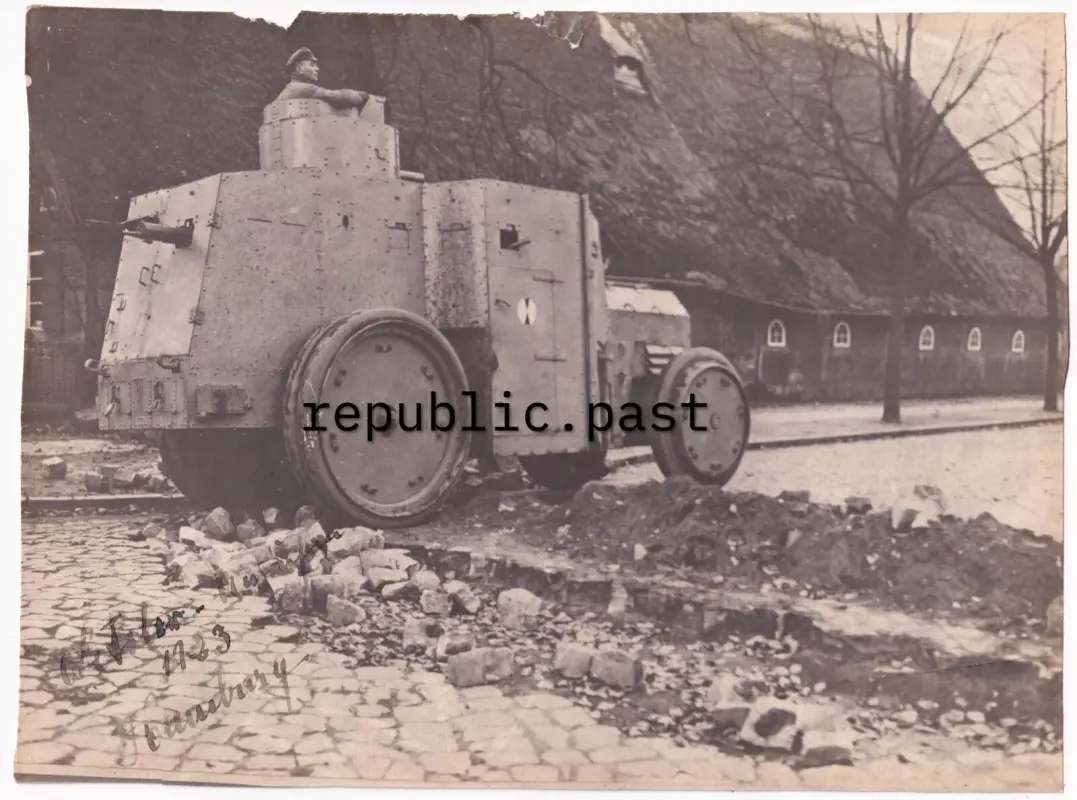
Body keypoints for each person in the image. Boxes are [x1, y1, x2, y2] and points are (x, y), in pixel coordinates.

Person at [273, 47, 370, 111]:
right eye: (312, 65)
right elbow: (336, 96)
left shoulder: (282, 94)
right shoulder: (305, 89)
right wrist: (360, 96)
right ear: (299, 68)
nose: (317, 69)